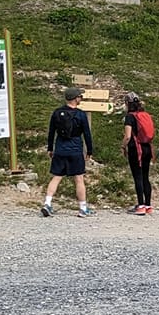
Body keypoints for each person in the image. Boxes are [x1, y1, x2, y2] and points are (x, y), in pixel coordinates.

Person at [42, 85, 96, 218]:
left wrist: (50, 148)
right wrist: (89, 150)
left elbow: (51, 132)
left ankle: (47, 203)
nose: (81, 98)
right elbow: (87, 134)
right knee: (79, 179)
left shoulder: (56, 113)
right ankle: (83, 208)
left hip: (60, 149)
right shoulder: (80, 115)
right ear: (75, 99)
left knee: (56, 177)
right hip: (76, 150)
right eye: (79, 96)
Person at [121, 92, 155, 216]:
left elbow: (128, 136)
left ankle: (140, 206)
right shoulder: (145, 115)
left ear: (127, 104)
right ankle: (148, 205)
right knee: (146, 176)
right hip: (147, 148)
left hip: (136, 149)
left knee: (137, 177)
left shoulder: (130, 117)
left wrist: (123, 146)